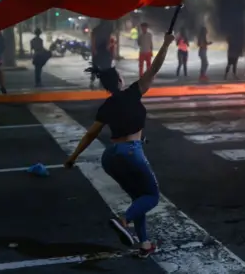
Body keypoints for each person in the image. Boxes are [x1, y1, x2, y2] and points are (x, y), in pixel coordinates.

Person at [64, 32, 176, 258]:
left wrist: (72, 158)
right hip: (131, 152)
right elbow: (154, 68)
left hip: (110, 156)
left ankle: (144, 245)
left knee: (139, 198)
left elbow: (90, 135)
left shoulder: (107, 106)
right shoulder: (134, 93)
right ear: (119, 81)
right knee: (151, 197)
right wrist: (165, 43)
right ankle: (124, 221)